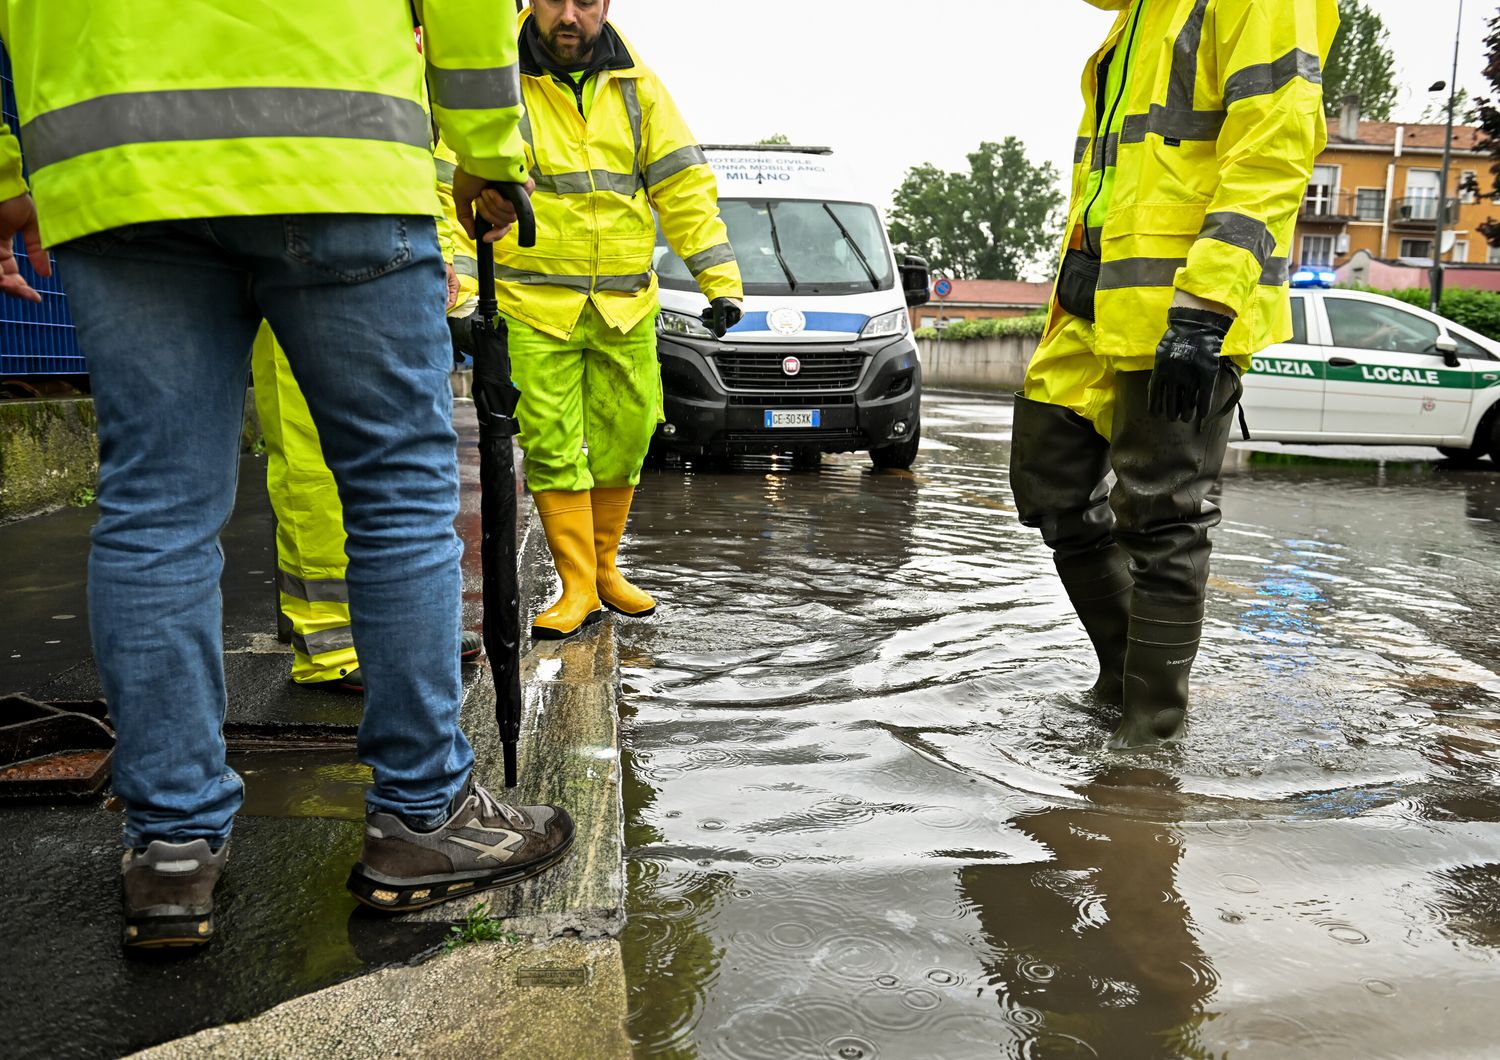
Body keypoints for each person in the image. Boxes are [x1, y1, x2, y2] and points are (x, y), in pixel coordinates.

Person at [0, 1, 574, 950]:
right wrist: (486, 150)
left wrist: (15, 174)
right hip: (332, 145)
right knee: (395, 495)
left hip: (114, 165)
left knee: (153, 509)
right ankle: (423, 818)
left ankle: (171, 850)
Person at [1008, 0, 1338, 748]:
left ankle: (1149, 733)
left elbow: (1275, 148)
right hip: (1094, 302)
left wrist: (1207, 304)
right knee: (1049, 485)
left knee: (1163, 514)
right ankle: (1124, 674)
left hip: (1184, 306)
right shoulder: (1142, 14)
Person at [502, 0, 744, 640]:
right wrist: (462, 293)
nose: (568, 16)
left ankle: (606, 570)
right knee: (553, 447)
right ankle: (575, 584)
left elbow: (684, 185)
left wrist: (720, 282)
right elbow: (451, 186)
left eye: (585, 2)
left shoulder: (639, 86)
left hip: (625, 304)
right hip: (532, 305)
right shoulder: (498, 78)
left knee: (630, 435)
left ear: (606, 6)